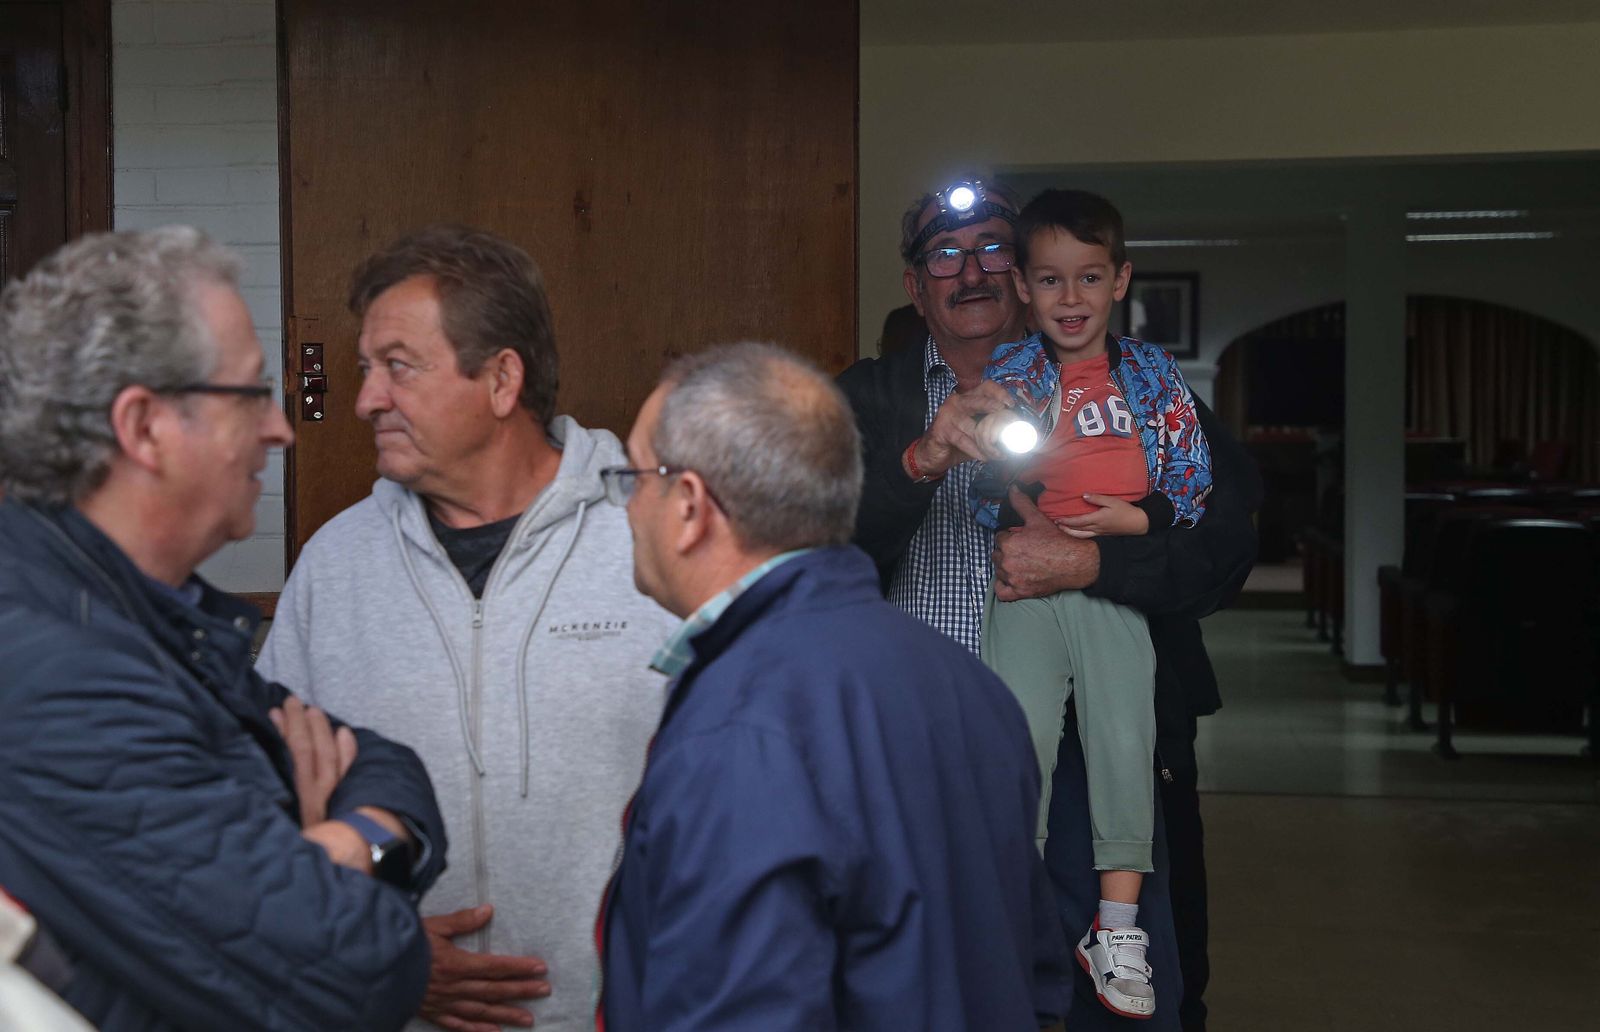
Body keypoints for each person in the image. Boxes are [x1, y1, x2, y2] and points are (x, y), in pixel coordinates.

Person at [839, 179, 1261, 1032]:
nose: (972, 271)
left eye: (993, 247)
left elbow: (1226, 545)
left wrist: (1094, 563)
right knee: (930, 990)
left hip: (1088, 746)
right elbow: (809, 550)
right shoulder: (864, 400)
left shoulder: (1141, 388)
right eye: (944, 255)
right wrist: (921, 461)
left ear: (1028, 274)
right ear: (915, 286)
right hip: (914, 747)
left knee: (1126, 999)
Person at [0, 227, 447, 1031]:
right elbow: (362, 969)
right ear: (144, 427)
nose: (282, 429)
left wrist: (338, 845)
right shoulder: (56, 675)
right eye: (252, 396)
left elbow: (383, 763)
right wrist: (355, 847)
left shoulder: (147, 615)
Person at [257, 225, 678, 1032]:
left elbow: (745, 791)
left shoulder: (655, 537)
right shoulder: (335, 565)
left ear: (501, 379)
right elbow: (267, 797)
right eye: (365, 369)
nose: (366, 400)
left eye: (399, 367)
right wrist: (376, 945)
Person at [597, 342, 1069, 1031]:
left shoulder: (740, 728)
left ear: (690, 504)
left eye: (636, 478)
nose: (628, 508)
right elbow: (1033, 977)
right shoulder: (970, 685)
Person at [971, 189, 1213, 1019]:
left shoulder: (1149, 372)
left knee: (1123, 736)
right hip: (1028, 586)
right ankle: (1011, 910)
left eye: (1088, 277)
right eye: (1049, 280)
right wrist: (1006, 478)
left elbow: (1192, 474)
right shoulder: (1012, 371)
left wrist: (1136, 525)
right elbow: (981, 469)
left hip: (1113, 584)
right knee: (1019, 737)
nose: (1069, 298)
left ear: (1120, 280)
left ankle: (1116, 926)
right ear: (1024, 288)